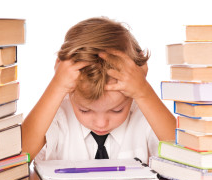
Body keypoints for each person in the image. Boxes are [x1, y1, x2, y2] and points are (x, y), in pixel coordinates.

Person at [22, 17, 176, 163]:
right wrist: (56, 86)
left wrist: (144, 91)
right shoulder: (56, 115)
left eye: (117, 110)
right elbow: (20, 155)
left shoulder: (146, 115)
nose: (101, 124)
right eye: (84, 110)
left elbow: (186, 156)